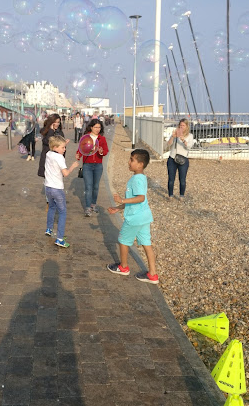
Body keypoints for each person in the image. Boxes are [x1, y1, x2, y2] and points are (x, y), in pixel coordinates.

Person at [107, 149, 159, 284]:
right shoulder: (141, 177)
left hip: (134, 218)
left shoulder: (137, 179)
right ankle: (153, 275)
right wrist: (118, 208)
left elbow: (141, 198)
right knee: (147, 244)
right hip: (144, 217)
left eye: (131, 160)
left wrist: (121, 201)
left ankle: (123, 267)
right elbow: (135, 199)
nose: (128, 162)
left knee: (123, 241)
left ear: (140, 164)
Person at [44, 135, 79, 248]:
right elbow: (65, 173)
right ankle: (59, 239)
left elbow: (56, 151)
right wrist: (73, 166)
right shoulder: (60, 158)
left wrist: (62, 144)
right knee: (63, 212)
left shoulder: (48, 154)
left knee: (52, 207)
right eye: (63, 148)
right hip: (57, 189)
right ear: (56, 147)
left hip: (48, 187)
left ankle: (49, 229)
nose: (64, 149)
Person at [76, 118, 109, 217]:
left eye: (99, 127)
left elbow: (106, 151)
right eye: (96, 127)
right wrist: (78, 155)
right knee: (88, 186)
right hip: (88, 165)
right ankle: (87, 207)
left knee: (95, 186)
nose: (97, 129)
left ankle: (93, 204)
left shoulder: (102, 139)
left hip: (98, 165)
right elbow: (80, 149)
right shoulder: (86, 138)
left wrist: (101, 151)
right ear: (91, 127)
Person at [166, 118, 194, 200]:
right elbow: (168, 144)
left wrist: (183, 140)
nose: (181, 127)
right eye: (180, 125)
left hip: (183, 159)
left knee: (182, 179)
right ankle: (170, 195)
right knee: (171, 178)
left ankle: (181, 195)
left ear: (186, 126)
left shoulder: (190, 136)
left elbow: (189, 146)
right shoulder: (175, 134)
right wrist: (172, 136)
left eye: (183, 125)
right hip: (172, 158)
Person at [37, 114, 67, 178]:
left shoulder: (60, 132)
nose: (57, 124)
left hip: (57, 161)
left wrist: (62, 160)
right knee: (48, 181)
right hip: (47, 160)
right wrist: (51, 131)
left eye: (58, 122)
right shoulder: (45, 131)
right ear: (51, 122)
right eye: (55, 122)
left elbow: (63, 148)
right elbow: (47, 142)